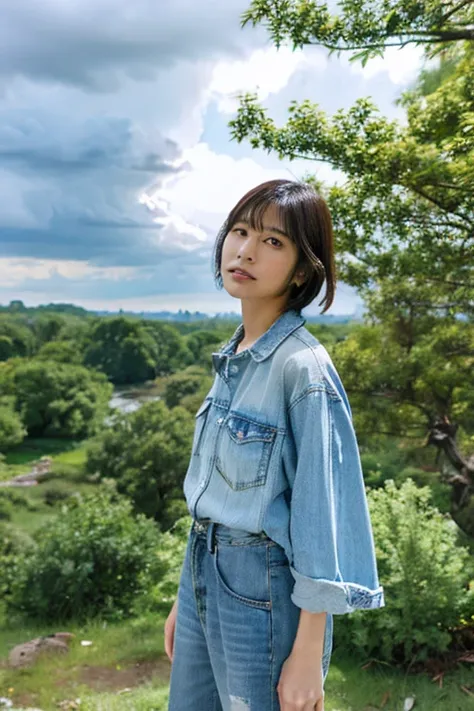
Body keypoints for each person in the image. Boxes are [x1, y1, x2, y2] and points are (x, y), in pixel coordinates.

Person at [165, 179, 384, 711]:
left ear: (304, 270)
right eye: (240, 231)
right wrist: (184, 599)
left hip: (260, 587)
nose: (245, 250)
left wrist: (308, 651)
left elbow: (323, 517)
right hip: (204, 574)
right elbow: (212, 495)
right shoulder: (234, 358)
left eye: (273, 241)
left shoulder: (303, 370)